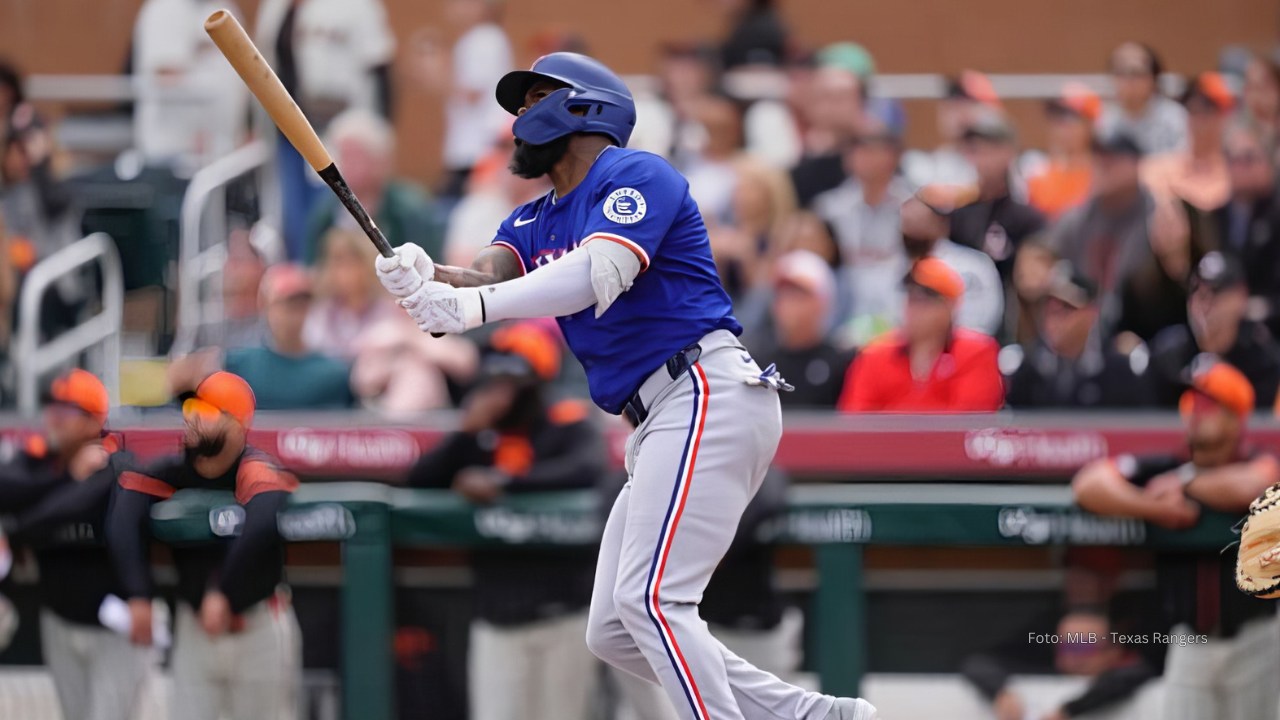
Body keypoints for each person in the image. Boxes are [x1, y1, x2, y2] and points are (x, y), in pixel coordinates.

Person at [374, 52, 878, 720]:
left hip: (705, 389)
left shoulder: (637, 173)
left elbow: (595, 272)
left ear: (583, 107)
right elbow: (486, 279)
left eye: (534, 100)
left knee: (651, 602)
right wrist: (424, 276)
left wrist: (467, 308)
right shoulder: (530, 220)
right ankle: (813, 717)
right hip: (659, 416)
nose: (519, 120)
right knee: (614, 625)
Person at [403, 323, 605, 720]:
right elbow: (418, 479)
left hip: (563, 610)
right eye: (495, 380)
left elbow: (587, 468)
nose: (500, 392)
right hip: (497, 613)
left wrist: (505, 483)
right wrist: (464, 434)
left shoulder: (565, 421)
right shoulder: (479, 435)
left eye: (512, 382)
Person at [1072, 359, 1280, 720]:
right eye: (1191, 404)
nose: (1196, 413)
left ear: (1234, 418)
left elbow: (1252, 485)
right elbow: (1088, 484)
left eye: (1208, 405)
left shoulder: (1256, 461)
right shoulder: (1165, 465)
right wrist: (1152, 508)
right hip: (1189, 640)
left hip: (1255, 637)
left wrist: (1186, 484)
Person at [107, 371, 302, 720]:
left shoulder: (253, 466)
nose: (194, 420)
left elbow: (260, 524)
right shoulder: (174, 470)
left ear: (238, 425)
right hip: (195, 626)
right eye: (191, 410)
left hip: (256, 622)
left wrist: (223, 591)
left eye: (208, 413)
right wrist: (138, 593)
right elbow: (123, 517)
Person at [0, 370, 150, 720]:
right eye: (52, 408)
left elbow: (82, 501)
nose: (53, 418)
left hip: (116, 628)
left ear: (92, 421)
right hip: (61, 622)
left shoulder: (117, 461)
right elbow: (7, 485)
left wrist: (19, 531)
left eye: (66, 411)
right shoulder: (43, 464)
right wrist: (66, 477)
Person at [254, 0, 396, 260]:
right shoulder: (275, 8)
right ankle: (304, 272)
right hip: (289, 129)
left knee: (332, 208)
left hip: (342, 127)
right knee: (294, 216)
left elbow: (380, 67)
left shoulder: (359, 6)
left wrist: (382, 130)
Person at [837, 258, 1003, 413]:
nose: (915, 309)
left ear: (950, 306)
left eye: (925, 300)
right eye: (911, 298)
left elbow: (969, 421)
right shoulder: (874, 356)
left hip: (948, 445)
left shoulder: (976, 353)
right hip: (885, 445)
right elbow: (855, 424)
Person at [811, 113, 912, 343]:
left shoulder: (912, 207)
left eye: (875, 149)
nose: (865, 157)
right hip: (840, 312)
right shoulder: (828, 209)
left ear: (894, 156)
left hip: (897, 311)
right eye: (858, 149)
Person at [961, 606, 1156, 720]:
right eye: (1066, 647)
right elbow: (977, 663)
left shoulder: (1131, 676)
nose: (1074, 656)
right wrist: (1000, 693)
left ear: (1114, 650)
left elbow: (1133, 675)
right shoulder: (1041, 675)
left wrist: (1070, 710)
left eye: (1083, 647)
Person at [1004, 262, 1154, 409]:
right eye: (1048, 306)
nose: (1053, 318)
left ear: (1091, 313)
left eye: (1066, 307)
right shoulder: (1028, 370)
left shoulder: (1118, 371)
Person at [1046, 131, 1155, 332]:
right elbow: (1047, 262)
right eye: (1098, 156)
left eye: (1112, 157)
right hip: (1083, 327)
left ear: (1136, 163)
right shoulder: (1077, 219)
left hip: (1143, 327)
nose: (1103, 165)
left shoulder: (1157, 217)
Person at [303, 109, 442, 265]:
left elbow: (430, 267)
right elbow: (311, 267)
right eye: (342, 155)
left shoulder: (410, 211)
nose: (345, 165)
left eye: (355, 157)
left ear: (380, 160)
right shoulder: (326, 212)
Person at [1149, 251, 1280, 408]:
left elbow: (1263, 426)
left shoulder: (1263, 362)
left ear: (1241, 296)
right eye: (1196, 291)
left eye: (1215, 292)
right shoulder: (1167, 355)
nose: (1203, 305)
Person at [413, 0, 513, 197]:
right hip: (471, 150)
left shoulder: (484, 39)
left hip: (478, 150)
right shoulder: (476, 40)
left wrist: (437, 68)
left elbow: (471, 93)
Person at [132, 0, 249, 165]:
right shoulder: (166, 9)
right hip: (176, 152)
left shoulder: (224, 8)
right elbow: (167, 76)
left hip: (221, 149)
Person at [742, 250, 853, 408]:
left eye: (798, 294)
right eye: (783, 294)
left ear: (823, 303)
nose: (787, 303)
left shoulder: (842, 365)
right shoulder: (755, 363)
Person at [1199, 121, 1280, 336]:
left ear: (1270, 162)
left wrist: (1251, 308)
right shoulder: (1214, 216)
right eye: (1232, 160)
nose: (1238, 168)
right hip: (1221, 328)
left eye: (1248, 159)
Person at [951, 110, 1047, 285]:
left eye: (990, 148)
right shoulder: (958, 216)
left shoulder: (1027, 219)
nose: (982, 158)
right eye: (975, 149)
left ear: (1009, 152)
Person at [900, 189, 1005, 338]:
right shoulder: (892, 266)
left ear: (942, 222)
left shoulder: (972, 266)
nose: (913, 220)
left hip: (959, 350)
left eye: (922, 214)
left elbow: (983, 320)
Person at [304, 228, 404, 360]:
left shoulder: (387, 309)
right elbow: (313, 348)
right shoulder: (323, 312)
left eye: (352, 262)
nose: (345, 271)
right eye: (338, 262)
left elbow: (391, 343)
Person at [1140, 72, 1234, 212]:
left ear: (1223, 116)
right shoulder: (1158, 169)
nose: (1198, 120)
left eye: (1206, 110)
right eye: (1192, 110)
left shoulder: (1237, 171)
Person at [901, 70, 997, 188]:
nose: (960, 113)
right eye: (951, 105)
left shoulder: (1011, 169)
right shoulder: (921, 167)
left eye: (970, 104)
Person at [1027, 82, 1101, 219]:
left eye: (1069, 118)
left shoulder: (1104, 179)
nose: (1061, 126)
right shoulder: (1038, 178)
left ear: (1090, 125)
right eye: (1056, 117)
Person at [1097, 42, 1187, 155]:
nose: (1128, 80)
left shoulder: (1175, 118)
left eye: (1136, 73)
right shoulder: (1102, 122)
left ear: (1153, 78)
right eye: (1121, 72)